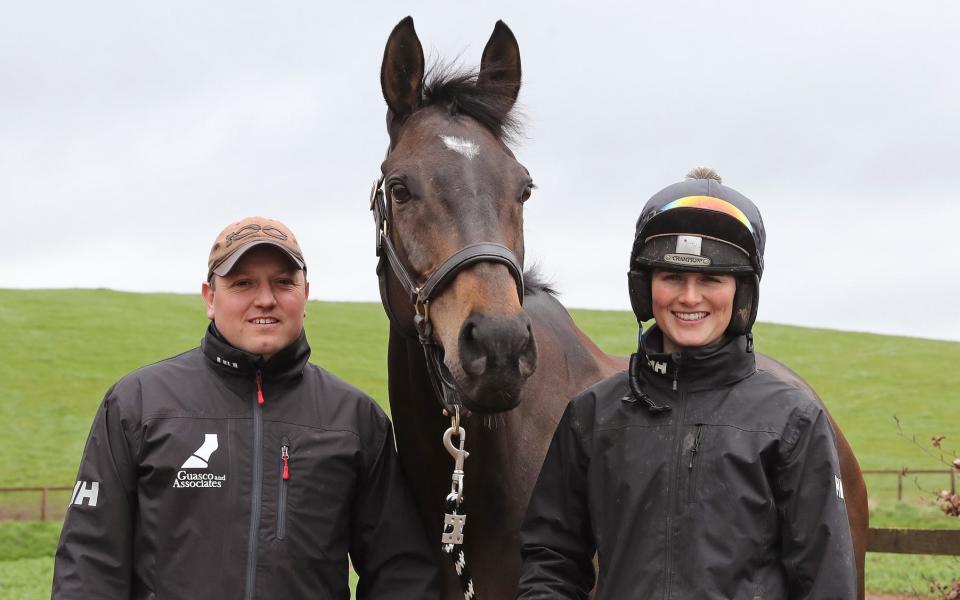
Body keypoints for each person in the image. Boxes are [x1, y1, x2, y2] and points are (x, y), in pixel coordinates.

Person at [52, 216, 439, 599]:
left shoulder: (356, 420)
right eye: (243, 283)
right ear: (210, 297)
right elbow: (90, 561)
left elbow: (400, 571)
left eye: (284, 282)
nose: (265, 299)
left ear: (306, 293)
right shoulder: (137, 403)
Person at [517, 169, 856, 599]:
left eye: (711, 279)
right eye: (672, 277)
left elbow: (826, 582)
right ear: (645, 288)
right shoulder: (593, 417)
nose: (689, 297)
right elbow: (552, 558)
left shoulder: (791, 422)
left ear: (742, 295)